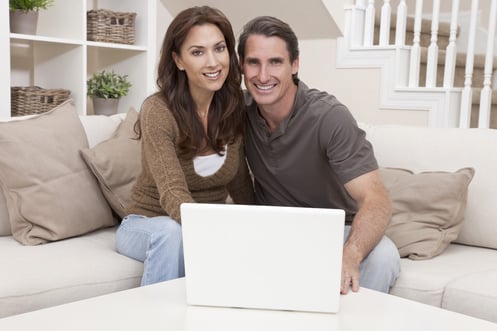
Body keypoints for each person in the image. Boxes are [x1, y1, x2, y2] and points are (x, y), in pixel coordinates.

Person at [237, 16, 400, 294]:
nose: (263, 76)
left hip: (336, 230)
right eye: (253, 62)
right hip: (272, 229)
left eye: (275, 62)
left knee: (384, 257)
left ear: (295, 64)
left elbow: (377, 201)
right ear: (241, 66)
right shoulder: (237, 110)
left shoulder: (329, 117)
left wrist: (349, 254)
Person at [116, 6, 255, 286]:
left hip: (199, 226)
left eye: (219, 48)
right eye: (197, 52)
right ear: (178, 60)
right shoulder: (158, 110)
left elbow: (240, 183)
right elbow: (172, 192)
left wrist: (264, 225)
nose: (213, 62)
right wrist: (210, 233)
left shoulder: (234, 106)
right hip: (147, 224)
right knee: (171, 232)